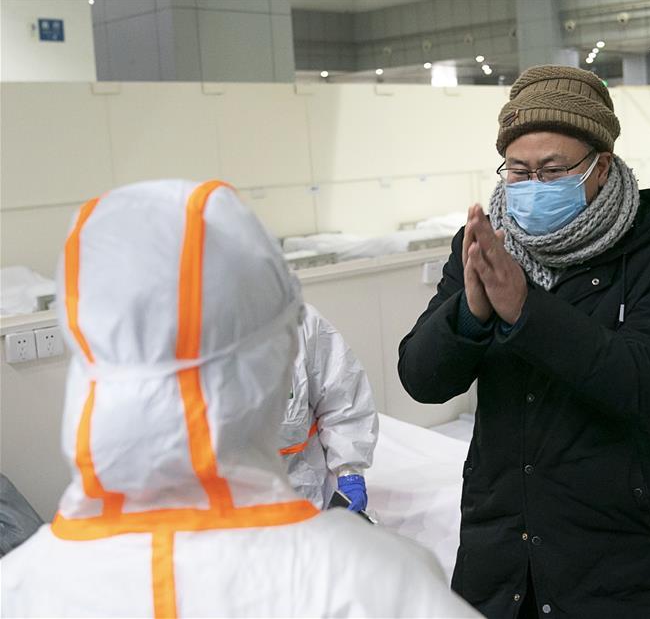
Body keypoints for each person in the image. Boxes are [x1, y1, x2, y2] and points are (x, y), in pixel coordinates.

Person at [0, 179, 479, 619]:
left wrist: (349, 472)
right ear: (270, 362)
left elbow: (343, 399)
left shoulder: (23, 588)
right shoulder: (371, 585)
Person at [398, 66, 650, 618]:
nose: (532, 186)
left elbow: (642, 381)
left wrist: (525, 310)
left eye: (552, 170)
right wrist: (470, 312)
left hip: (618, 556)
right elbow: (420, 379)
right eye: (518, 171)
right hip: (502, 551)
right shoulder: (483, 244)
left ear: (600, 166)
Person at [280, 303, 378, 512]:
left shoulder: (301, 324)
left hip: (305, 509)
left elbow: (343, 405)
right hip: (216, 526)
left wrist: (349, 474)